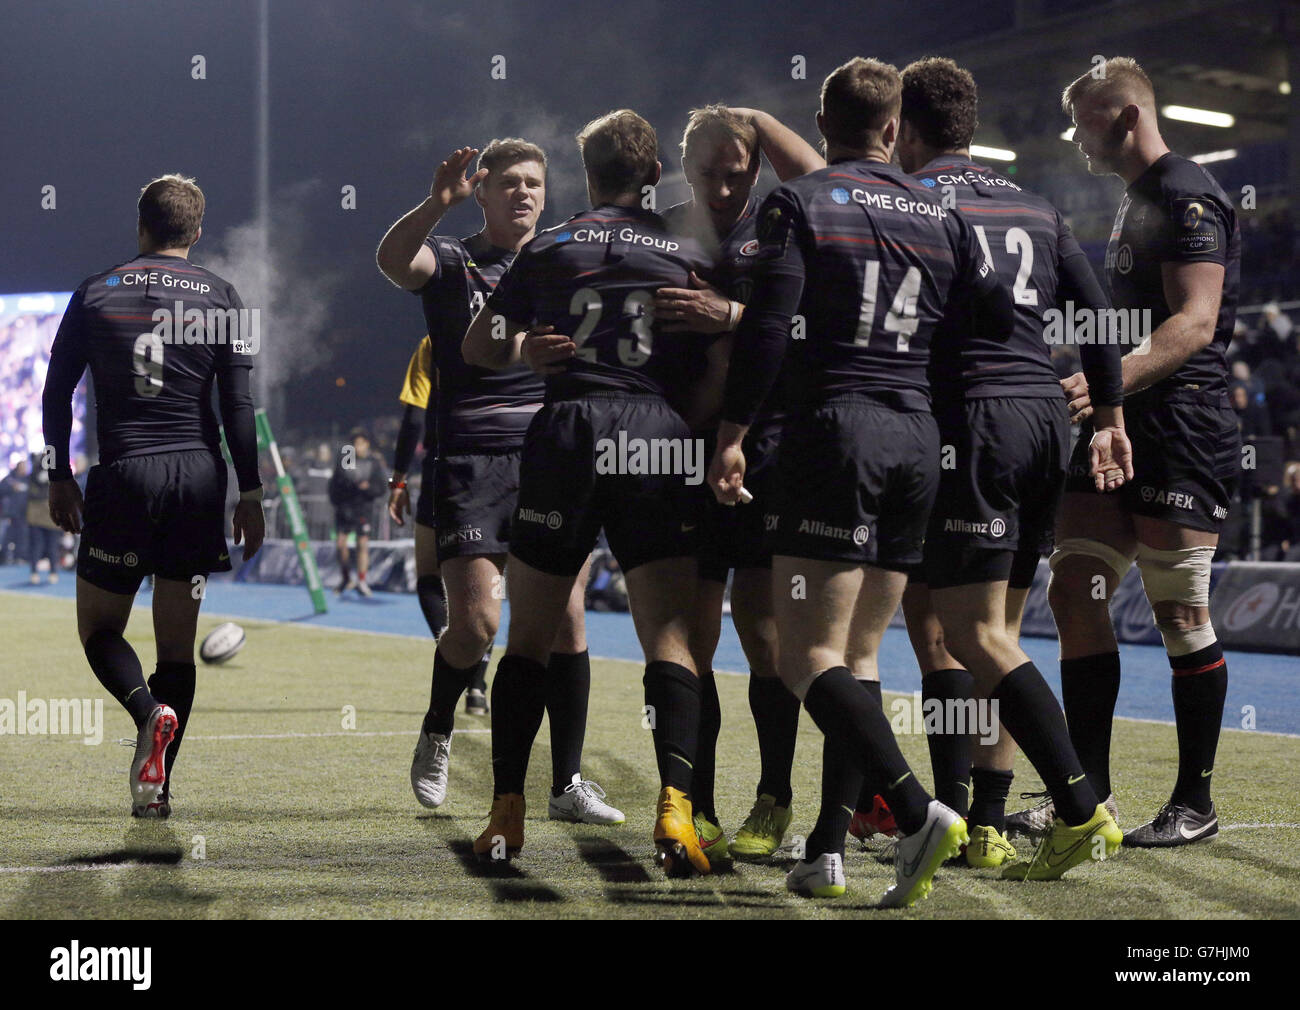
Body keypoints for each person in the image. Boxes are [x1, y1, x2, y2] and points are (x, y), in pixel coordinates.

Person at [873, 56, 1133, 872]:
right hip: (1044, 421)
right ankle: (984, 821)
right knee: (1002, 630)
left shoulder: (913, 202)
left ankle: (1079, 805)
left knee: (964, 632)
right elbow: (1098, 317)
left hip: (969, 423)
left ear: (906, 130)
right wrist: (1111, 416)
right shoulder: (1037, 204)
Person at [463, 109, 720, 874]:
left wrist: (525, 351)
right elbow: (720, 355)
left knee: (531, 635)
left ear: (588, 175)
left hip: (569, 429)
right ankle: (676, 811)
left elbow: (478, 348)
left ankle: (506, 813)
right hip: (656, 433)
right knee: (670, 639)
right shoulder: (682, 250)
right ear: (651, 177)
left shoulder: (548, 247)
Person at [1033, 57, 1242, 847]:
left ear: (1123, 117)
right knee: (1075, 588)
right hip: (1120, 416)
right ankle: (1088, 799)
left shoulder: (1188, 191)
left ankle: (1196, 802)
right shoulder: (1136, 199)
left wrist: (1105, 377)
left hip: (1182, 424)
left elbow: (1195, 323)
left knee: (1180, 612)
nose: (1073, 137)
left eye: (1082, 120)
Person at [378, 142, 619, 823]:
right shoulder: (453, 260)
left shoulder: (562, 263)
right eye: (509, 183)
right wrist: (435, 204)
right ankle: (437, 725)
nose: (523, 193)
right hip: (469, 463)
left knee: (568, 620)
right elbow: (394, 261)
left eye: (534, 184)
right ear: (482, 192)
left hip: (549, 459)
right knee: (479, 624)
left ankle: (567, 783)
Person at [41, 173, 264, 818]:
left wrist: (59, 475)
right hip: (198, 480)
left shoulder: (94, 291)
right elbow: (239, 405)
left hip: (125, 475)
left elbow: (56, 393)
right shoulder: (225, 296)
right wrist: (249, 492)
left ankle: (148, 712)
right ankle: (156, 791)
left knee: (100, 628)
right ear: (196, 232)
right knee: (175, 644)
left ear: (140, 224)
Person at [653, 105, 824, 861]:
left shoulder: (785, 224)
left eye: (738, 172)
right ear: (682, 166)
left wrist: (730, 312)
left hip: (763, 450)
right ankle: (700, 804)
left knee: (764, 634)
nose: (724, 188)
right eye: (709, 173)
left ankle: (775, 797)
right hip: (677, 452)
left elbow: (814, 326)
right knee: (693, 636)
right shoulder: (654, 230)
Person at [328, 427, 387, 597]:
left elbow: (381, 487)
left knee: (362, 544)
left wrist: (368, 488)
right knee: (341, 544)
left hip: (363, 508)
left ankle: (362, 581)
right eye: (355, 443)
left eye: (360, 443)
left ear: (367, 444)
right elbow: (337, 482)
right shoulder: (346, 458)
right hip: (346, 508)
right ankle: (346, 578)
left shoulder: (374, 462)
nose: (357, 446)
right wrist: (339, 499)